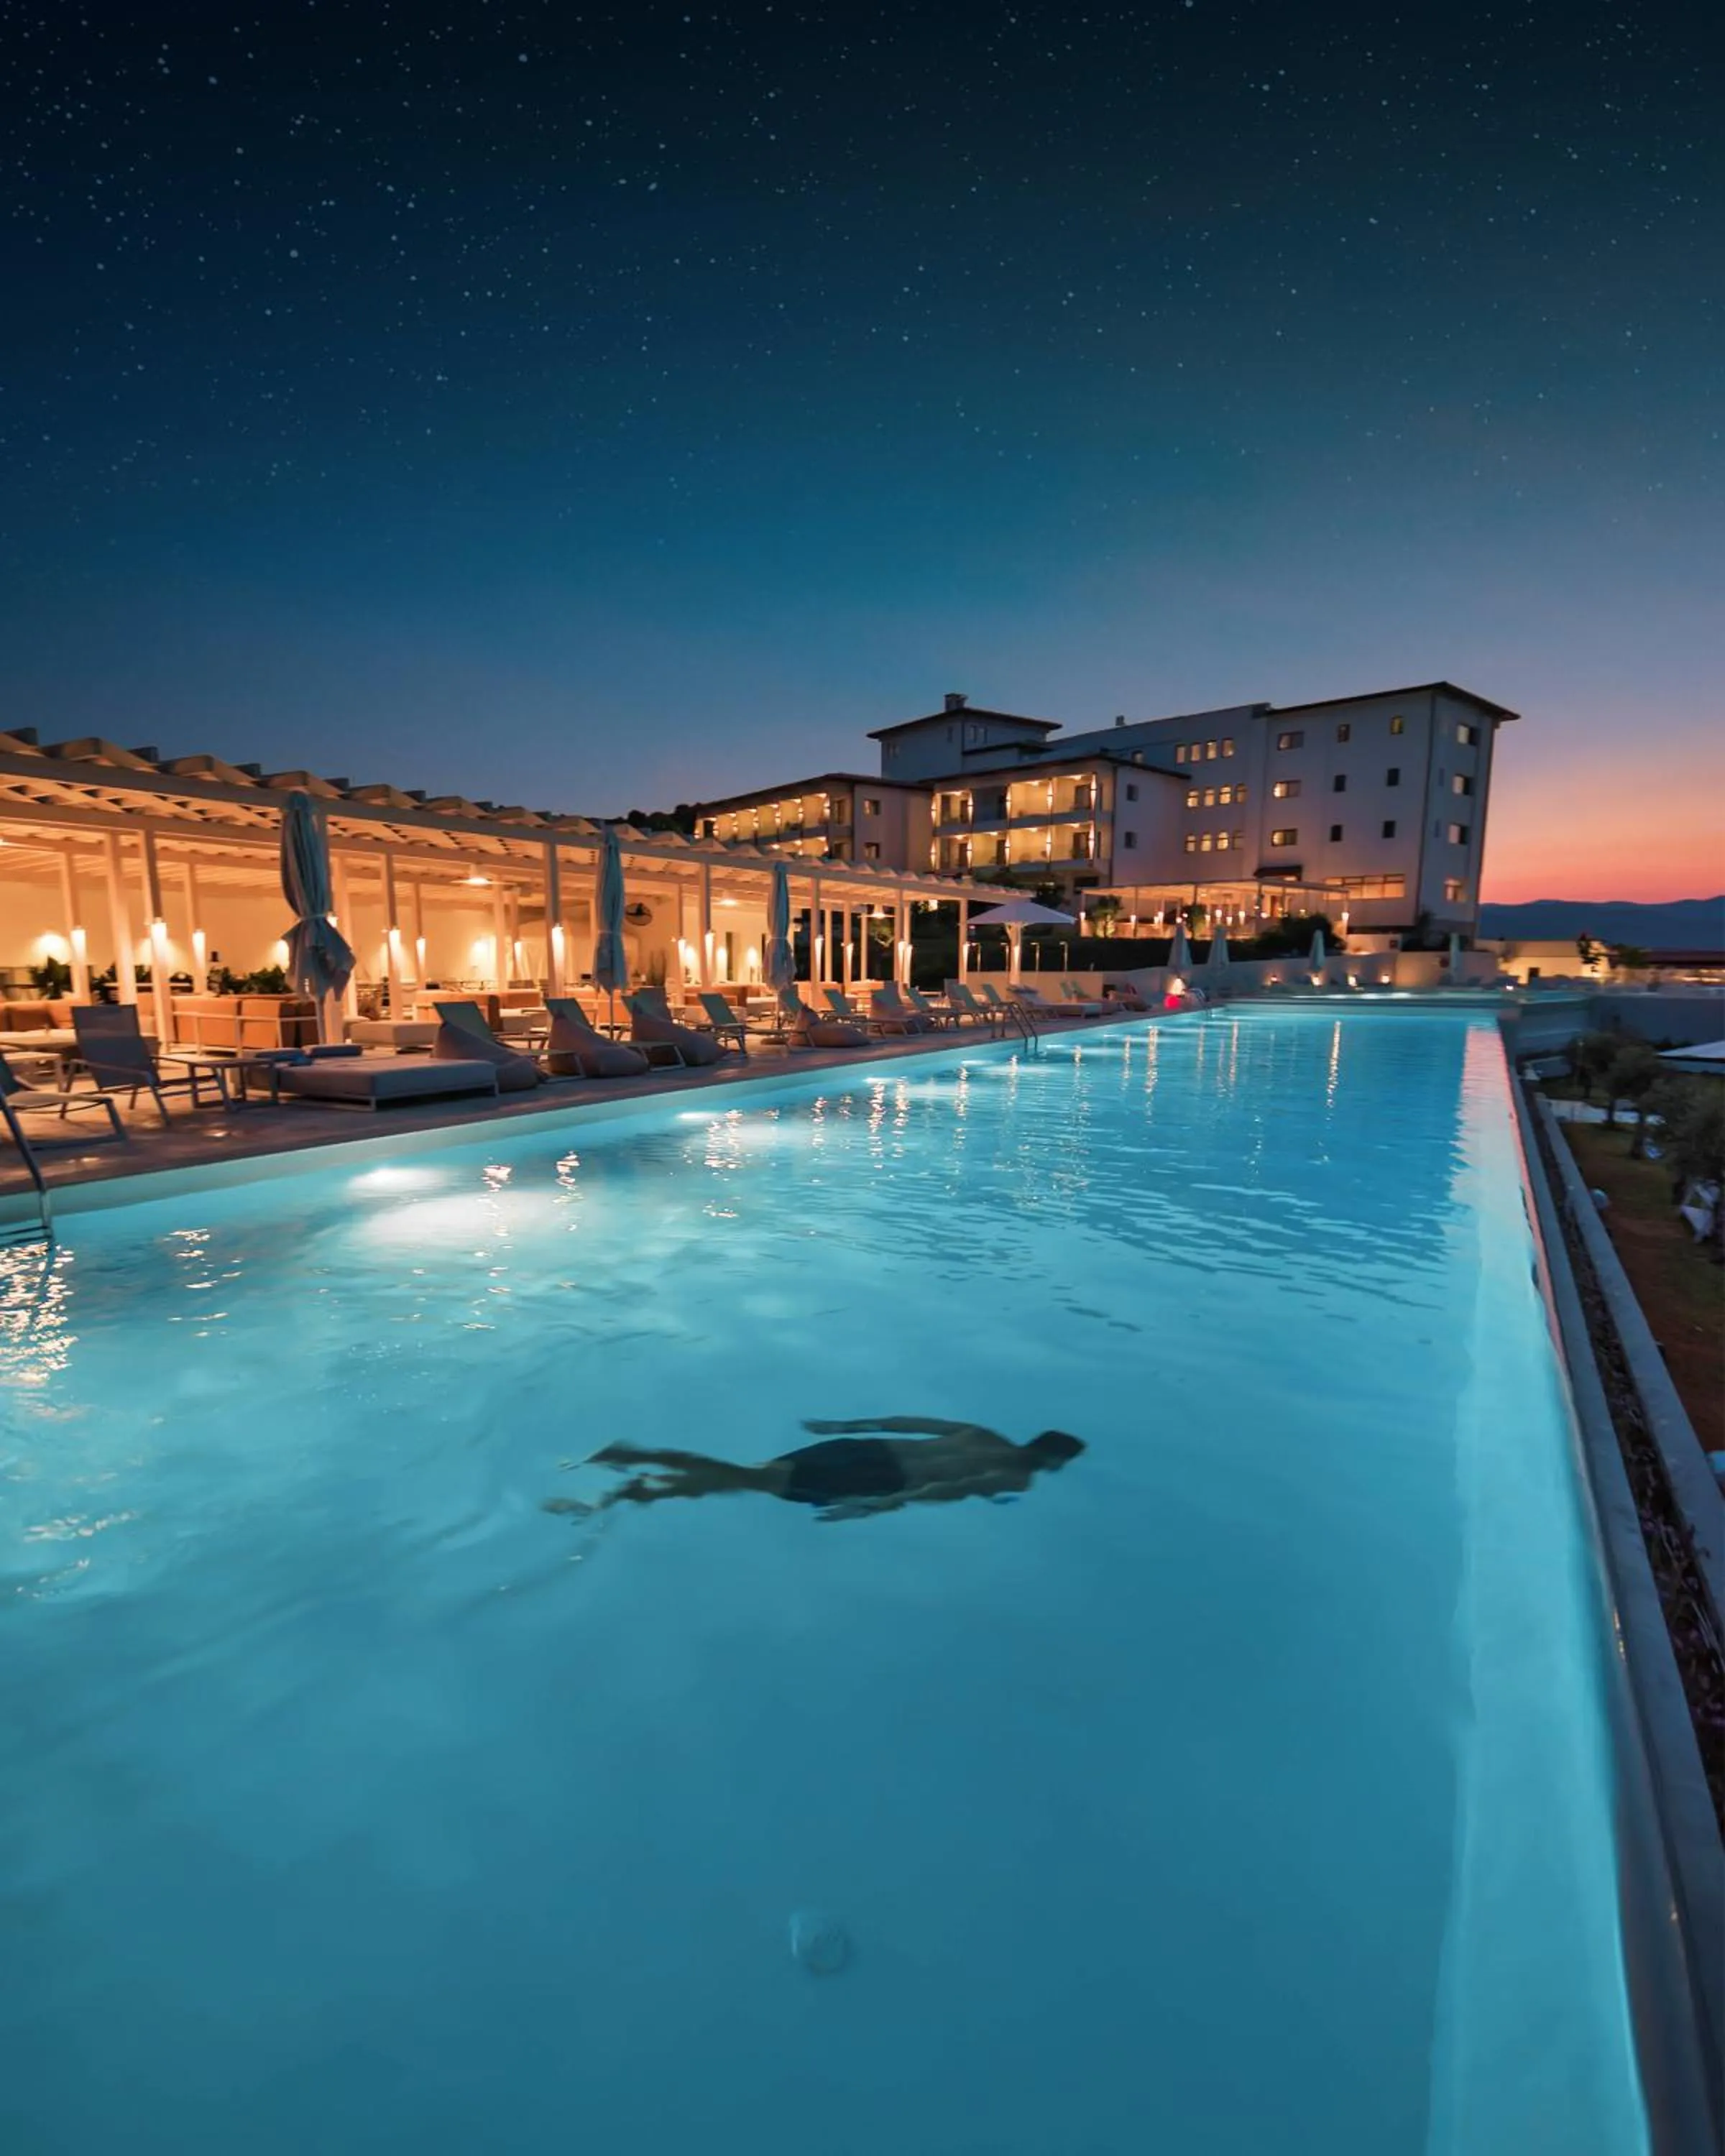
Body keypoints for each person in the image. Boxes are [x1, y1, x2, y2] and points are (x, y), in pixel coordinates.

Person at [545, 1416, 1085, 1524]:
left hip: (861, 1454)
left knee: (743, 1481)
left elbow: (907, 1422)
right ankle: (634, 1455)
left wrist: (842, 1427)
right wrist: (877, 1506)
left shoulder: (983, 1432)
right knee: (747, 1480)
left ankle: (632, 1492)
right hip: (875, 1481)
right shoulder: (1017, 1479)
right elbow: (949, 1488)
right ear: (1052, 1459)